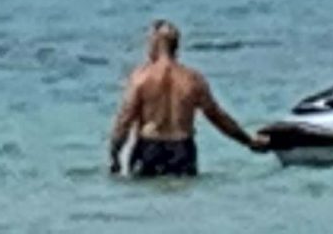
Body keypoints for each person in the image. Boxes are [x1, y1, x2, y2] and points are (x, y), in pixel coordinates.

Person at [107, 19, 268, 177]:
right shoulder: (193, 79)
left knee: (144, 194)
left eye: (148, 42)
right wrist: (247, 140)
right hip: (182, 150)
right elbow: (217, 116)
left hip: (150, 149)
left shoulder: (140, 77)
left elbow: (125, 118)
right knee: (184, 193)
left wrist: (114, 154)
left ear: (155, 43)